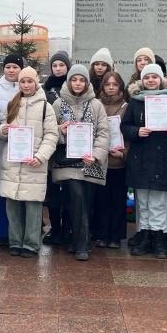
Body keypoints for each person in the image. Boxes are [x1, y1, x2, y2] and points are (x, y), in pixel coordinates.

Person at [121, 64, 167, 259]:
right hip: (141, 159)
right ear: (142, 80)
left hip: (163, 159)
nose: (151, 80)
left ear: (161, 79)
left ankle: (158, 239)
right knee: (143, 201)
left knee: (158, 202)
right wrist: (136, 132)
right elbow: (125, 126)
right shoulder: (135, 101)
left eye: (154, 77)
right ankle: (144, 236)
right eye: (147, 77)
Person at [0, 66, 59, 257]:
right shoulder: (12, 103)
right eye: (22, 81)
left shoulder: (45, 107)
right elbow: (1, 127)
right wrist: (3, 131)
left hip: (34, 164)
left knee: (33, 207)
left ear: (36, 82)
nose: (26, 85)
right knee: (13, 206)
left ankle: (31, 244)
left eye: (29, 81)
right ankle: (15, 241)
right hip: (13, 164)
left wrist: (40, 156)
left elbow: (51, 135)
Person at [52, 64, 110, 261]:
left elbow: (103, 133)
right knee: (77, 195)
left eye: (82, 80)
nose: (78, 83)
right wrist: (61, 131)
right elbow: (50, 131)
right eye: (74, 79)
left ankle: (76, 240)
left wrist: (96, 155)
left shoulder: (96, 105)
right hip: (66, 163)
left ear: (86, 82)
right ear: (69, 82)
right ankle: (82, 244)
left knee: (84, 200)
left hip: (89, 162)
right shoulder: (58, 104)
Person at [0, 53, 23, 247]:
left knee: (16, 192)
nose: (11, 70)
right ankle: (1, 233)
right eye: (8, 67)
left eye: (15, 67)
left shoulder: (27, 87)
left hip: (21, 149)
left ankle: (16, 232)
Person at [92, 71, 129, 248]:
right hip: (100, 161)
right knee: (101, 200)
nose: (111, 88)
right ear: (103, 87)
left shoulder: (126, 106)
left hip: (118, 161)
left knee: (117, 200)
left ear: (120, 87)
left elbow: (128, 134)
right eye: (108, 85)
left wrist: (124, 153)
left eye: (115, 84)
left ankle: (115, 236)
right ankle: (102, 233)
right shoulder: (96, 105)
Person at [41, 50, 71, 246]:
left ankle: (68, 228)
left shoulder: (75, 86)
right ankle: (55, 228)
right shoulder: (45, 90)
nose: (58, 68)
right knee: (52, 194)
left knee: (69, 191)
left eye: (61, 65)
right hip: (52, 147)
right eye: (55, 65)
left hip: (71, 148)